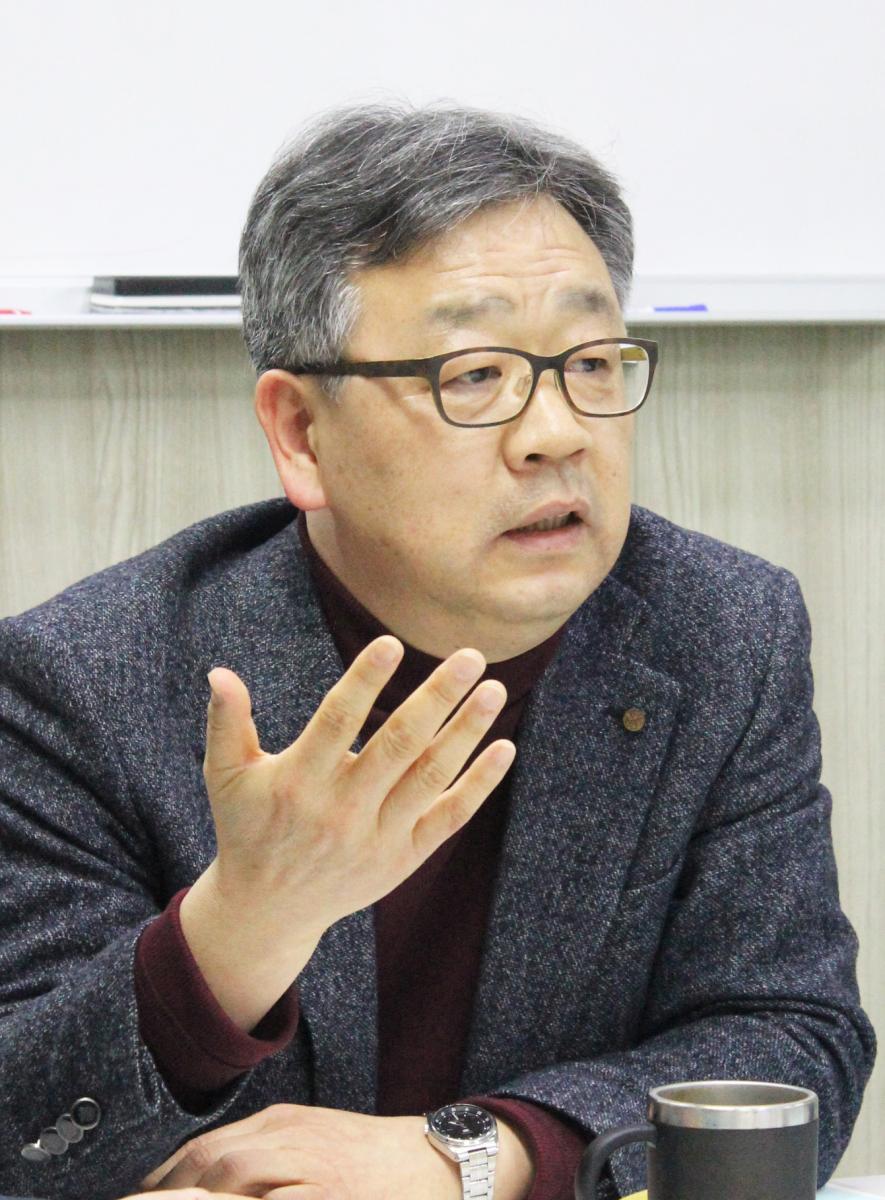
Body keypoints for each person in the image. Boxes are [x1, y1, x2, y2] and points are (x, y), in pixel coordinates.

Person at [0, 102, 875, 1200]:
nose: (557, 432)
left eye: (591, 363)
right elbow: (21, 1134)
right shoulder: (85, 679)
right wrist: (242, 927)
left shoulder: (719, 634)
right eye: (473, 376)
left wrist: (475, 1154)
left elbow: (789, 1045)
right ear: (302, 433)